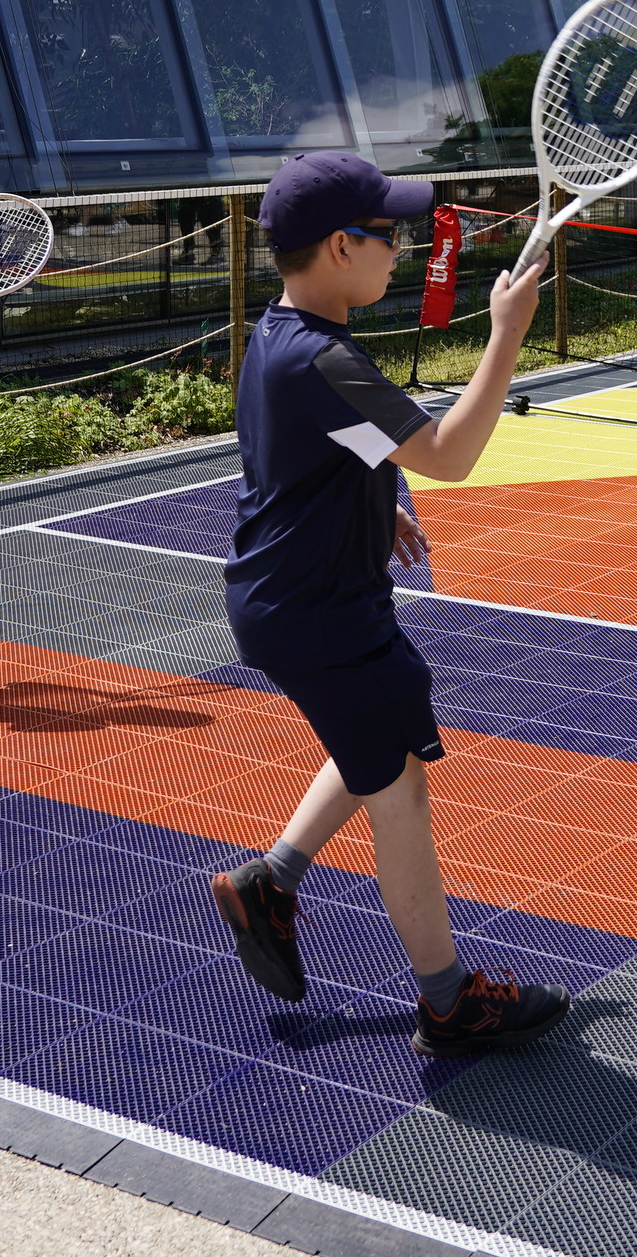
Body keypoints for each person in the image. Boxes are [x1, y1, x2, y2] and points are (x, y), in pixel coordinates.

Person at [207, 151, 572, 1056]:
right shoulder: (327, 356)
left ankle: (271, 882)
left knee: (383, 745)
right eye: (387, 234)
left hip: (301, 596)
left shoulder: (282, 334)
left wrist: (379, 500)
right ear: (340, 247)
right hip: (317, 609)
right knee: (399, 787)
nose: (401, 249)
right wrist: (506, 334)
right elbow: (449, 455)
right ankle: (448, 1003)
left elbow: (314, 452)